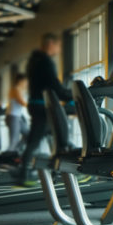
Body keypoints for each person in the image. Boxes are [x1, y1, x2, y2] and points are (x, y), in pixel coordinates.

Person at [17, 33, 71, 185]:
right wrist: (73, 95)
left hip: (37, 104)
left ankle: (55, 172)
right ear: (50, 44)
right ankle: (25, 176)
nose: (59, 50)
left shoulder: (34, 60)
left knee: (54, 138)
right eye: (58, 46)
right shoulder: (45, 61)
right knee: (45, 140)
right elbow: (55, 87)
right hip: (41, 107)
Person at [5, 73, 29, 154]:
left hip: (18, 117)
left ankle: (16, 151)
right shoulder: (15, 89)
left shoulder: (21, 90)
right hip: (12, 116)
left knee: (27, 135)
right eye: (26, 81)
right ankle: (8, 157)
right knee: (14, 140)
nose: (27, 83)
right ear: (20, 81)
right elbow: (21, 101)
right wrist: (33, 106)